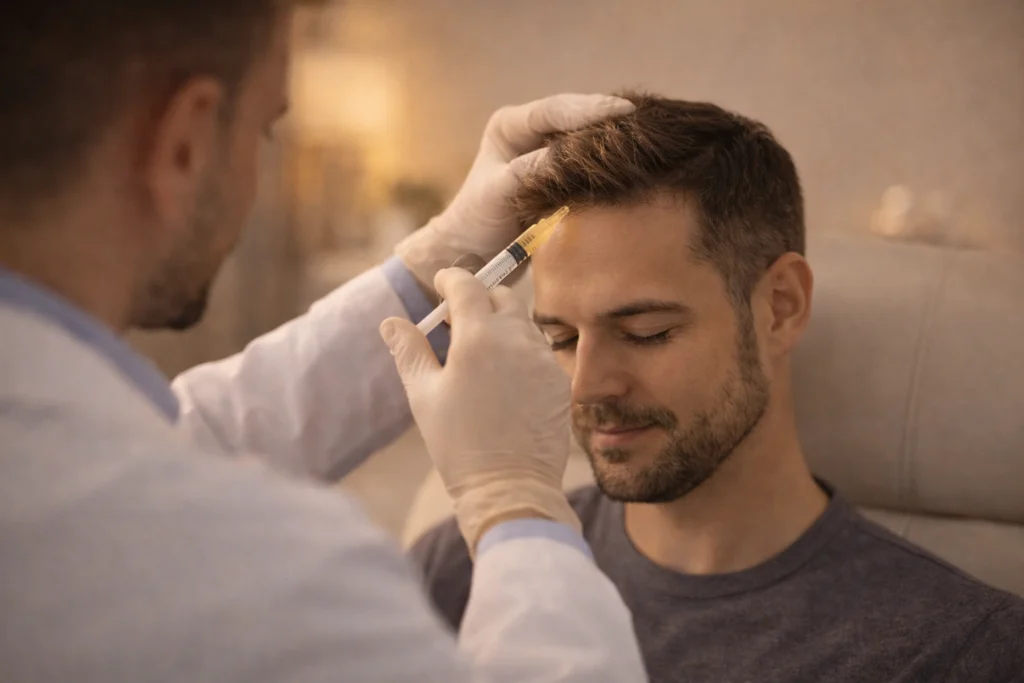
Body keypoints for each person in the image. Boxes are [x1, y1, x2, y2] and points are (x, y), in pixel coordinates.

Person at [0, 1, 649, 681]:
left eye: (649, 331)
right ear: (184, 143)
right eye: (266, 130)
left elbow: (191, 433)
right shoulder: (288, 592)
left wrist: (437, 255)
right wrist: (515, 498)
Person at [410, 93, 1024, 682]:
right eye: (561, 340)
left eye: (646, 332)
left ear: (780, 307)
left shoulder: (961, 651)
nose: (585, 387)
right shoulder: (468, 564)